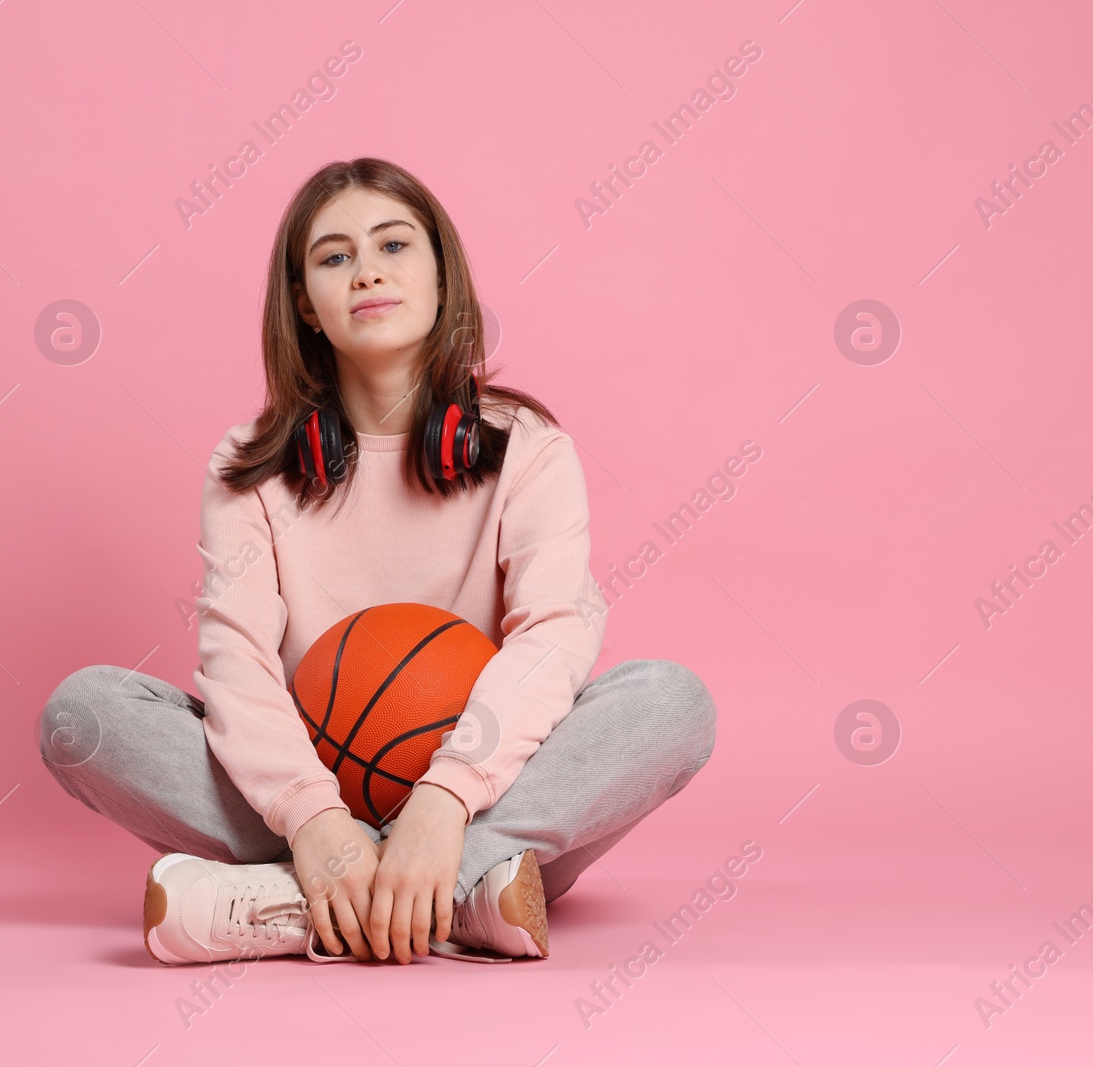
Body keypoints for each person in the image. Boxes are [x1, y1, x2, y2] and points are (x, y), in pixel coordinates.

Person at [36, 158, 717, 967]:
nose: (366, 271)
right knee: (82, 714)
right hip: (312, 797)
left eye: (394, 245)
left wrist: (446, 799)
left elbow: (551, 640)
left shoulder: (527, 450)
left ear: (440, 275)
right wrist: (317, 821)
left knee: (671, 702)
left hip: (489, 792)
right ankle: (462, 898)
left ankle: (311, 901)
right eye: (333, 256)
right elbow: (239, 667)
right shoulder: (247, 469)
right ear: (306, 306)